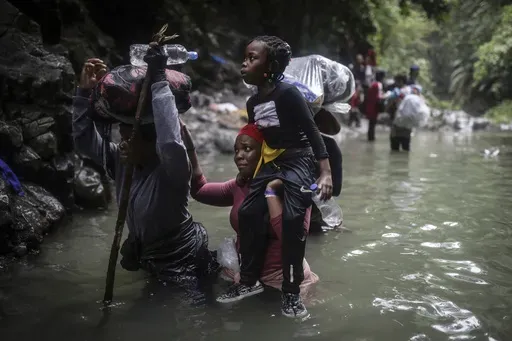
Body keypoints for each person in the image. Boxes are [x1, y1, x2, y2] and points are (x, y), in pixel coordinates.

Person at [72, 52, 217, 296]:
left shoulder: (172, 171)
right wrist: (84, 93)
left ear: (153, 144)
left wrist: (159, 80)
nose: (123, 143)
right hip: (149, 255)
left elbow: (171, 141)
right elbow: (84, 142)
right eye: (122, 136)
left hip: (183, 262)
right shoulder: (121, 161)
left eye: (130, 138)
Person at [216, 36, 332, 317]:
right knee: (247, 212)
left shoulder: (288, 94)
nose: (245, 63)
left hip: (299, 160)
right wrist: (247, 171)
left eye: (252, 58)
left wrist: (325, 171)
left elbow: (312, 130)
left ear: (270, 66)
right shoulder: (253, 102)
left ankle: (291, 293)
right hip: (273, 162)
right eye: (245, 57)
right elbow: (257, 141)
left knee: (293, 220)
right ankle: (249, 281)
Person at [181, 122, 319, 315]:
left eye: (247, 149)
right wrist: (189, 149)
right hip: (245, 279)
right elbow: (199, 191)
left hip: (282, 281)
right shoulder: (240, 185)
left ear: (266, 152)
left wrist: (271, 192)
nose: (238, 156)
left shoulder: (293, 186)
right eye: (236, 150)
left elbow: (293, 238)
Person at [365, 69, 386, 141]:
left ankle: (370, 137)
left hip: (370, 106)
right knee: (373, 124)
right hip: (374, 107)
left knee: (371, 124)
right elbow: (379, 97)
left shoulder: (372, 84)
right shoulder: (379, 85)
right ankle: (371, 138)